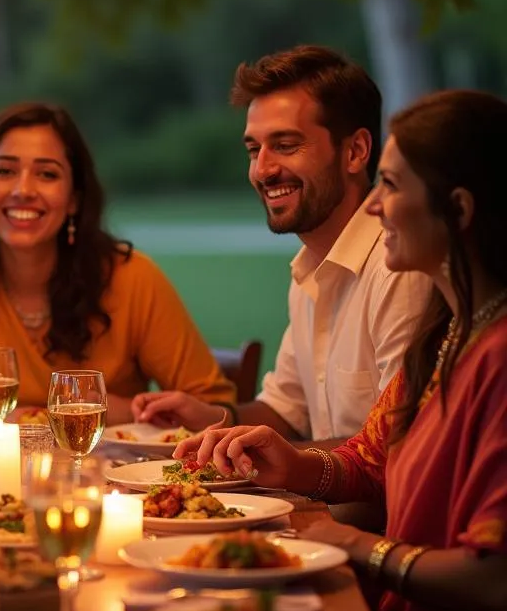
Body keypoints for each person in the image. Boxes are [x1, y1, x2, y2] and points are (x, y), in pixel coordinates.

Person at [175, 90, 507, 611]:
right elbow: (369, 457)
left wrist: (352, 544)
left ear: (460, 208)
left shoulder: (499, 356)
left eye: (391, 187)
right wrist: (292, 466)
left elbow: (493, 579)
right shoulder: (446, 335)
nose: (378, 208)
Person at [0, 102, 235, 428]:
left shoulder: (133, 278)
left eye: (47, 174)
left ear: (74, 199)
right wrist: (33, 417)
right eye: (5, 171)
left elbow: (215, 408)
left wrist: (3, 417)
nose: (23, 189)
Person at [133, 45, 430, 447]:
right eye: (254, 149)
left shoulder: (399, 268)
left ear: (356, 152)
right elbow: (284, 411)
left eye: (286, 145)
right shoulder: (309, 268)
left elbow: (398, 447)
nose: (263, 170)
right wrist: (213, 418)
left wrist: (279, 461)